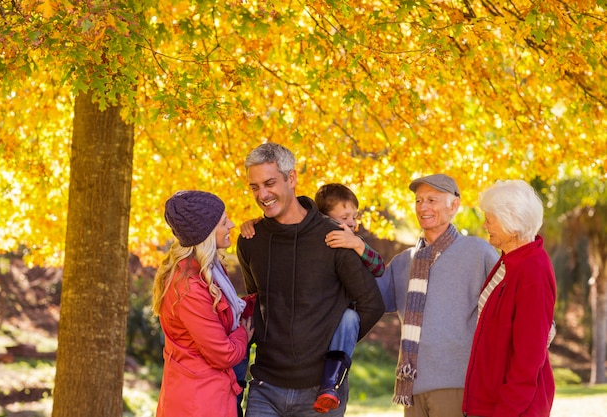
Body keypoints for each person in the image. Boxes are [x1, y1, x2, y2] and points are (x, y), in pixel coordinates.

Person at [236, 143, 385, 417]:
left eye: (269, 183)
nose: (263, 194)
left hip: (321, 392)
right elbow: (257, 300)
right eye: (254, 187)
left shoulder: (334, 237)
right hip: (265, 385)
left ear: (291, 178)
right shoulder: (251, 240)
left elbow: (371, 303)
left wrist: (334, 346)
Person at [376, 174, 499, 417]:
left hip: (457, 384)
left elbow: (510, 296)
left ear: (454, 205)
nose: (423, 207)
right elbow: (371, 300)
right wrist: (356, 250)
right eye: (419, 200)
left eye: (432, 199)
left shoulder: (477, 251)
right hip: (412, 388)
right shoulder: (403, 262)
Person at [152, 190, 255, 417]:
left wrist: (260, 301)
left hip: (209, 393)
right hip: (198, 402)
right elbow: (223, 354)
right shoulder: (189, 287)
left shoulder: (208, 271)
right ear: (206, 234)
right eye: (223, 222)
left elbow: (224, 313)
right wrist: (243, 336)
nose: (231, 224)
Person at [463, 180, 556, 416]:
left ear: (512, 224)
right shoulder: (508, 261)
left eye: (490, 219)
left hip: (511, 409)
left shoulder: (532, 269)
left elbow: (528, 357)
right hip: (489, 403)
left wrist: (505, 411)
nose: (484, 225)